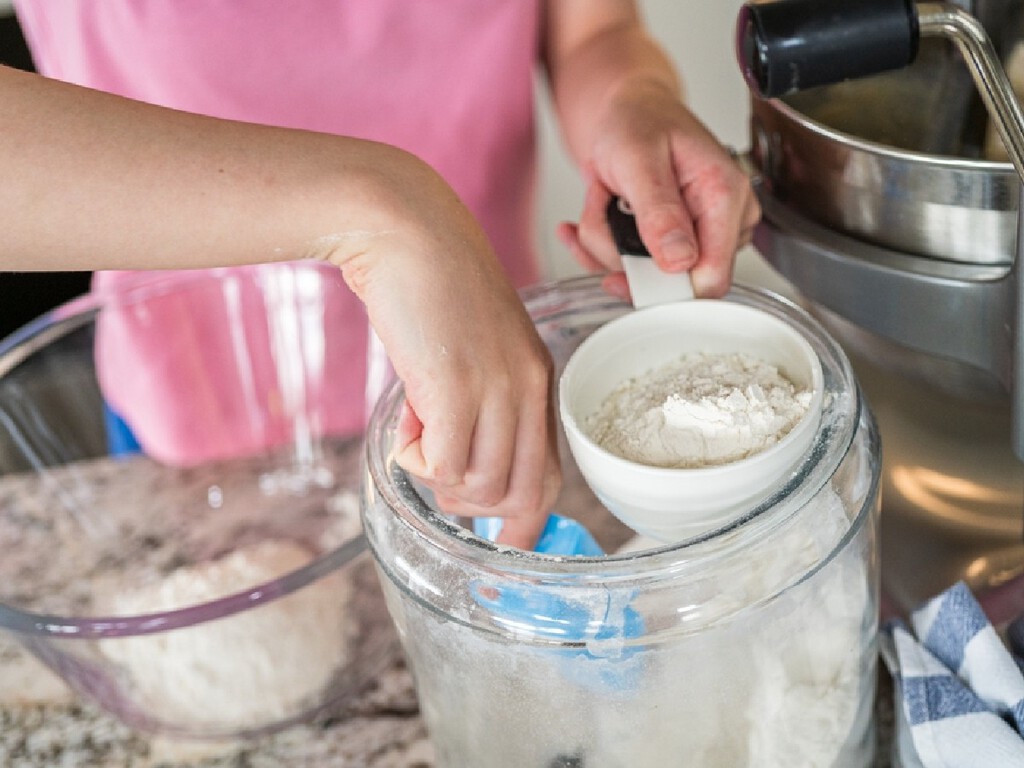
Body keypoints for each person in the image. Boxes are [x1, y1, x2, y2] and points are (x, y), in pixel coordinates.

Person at [7, 1, 760, 548]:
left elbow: (594, 29)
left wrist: (632, 98)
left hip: (491, 392)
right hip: (202, 421)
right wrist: (380, 210)